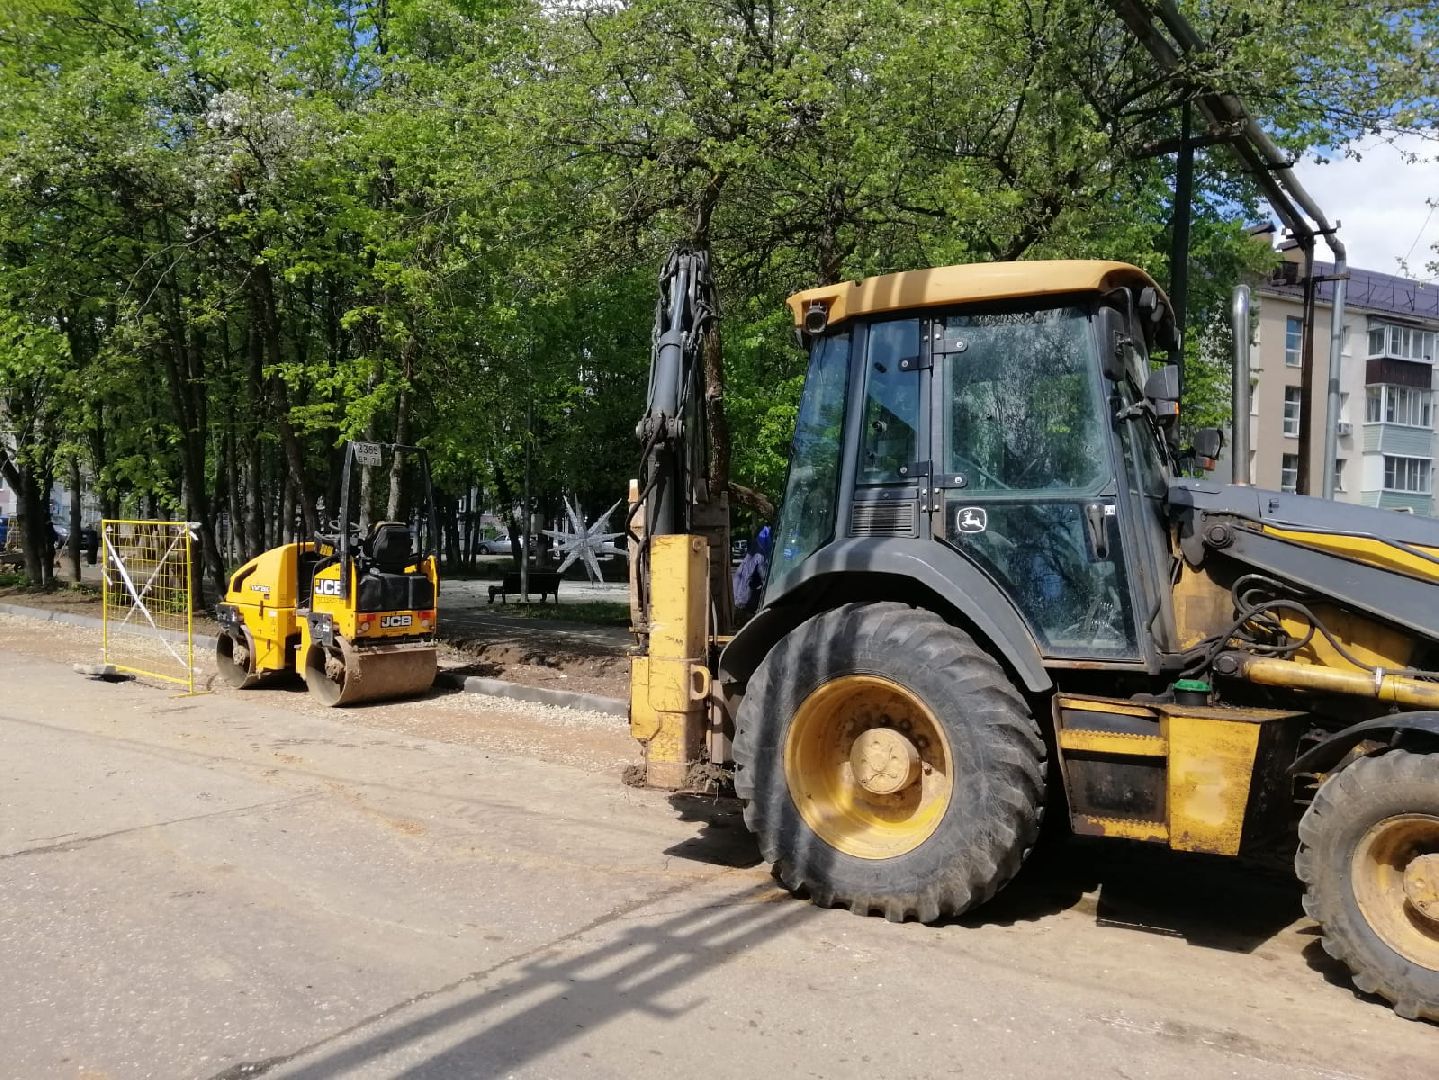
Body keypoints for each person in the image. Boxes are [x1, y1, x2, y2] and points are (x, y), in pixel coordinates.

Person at [732, 526, 772, 623]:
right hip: (745, 598)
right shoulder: (760, 555)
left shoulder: (752, 554)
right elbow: (765, 578)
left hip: (738, 596)